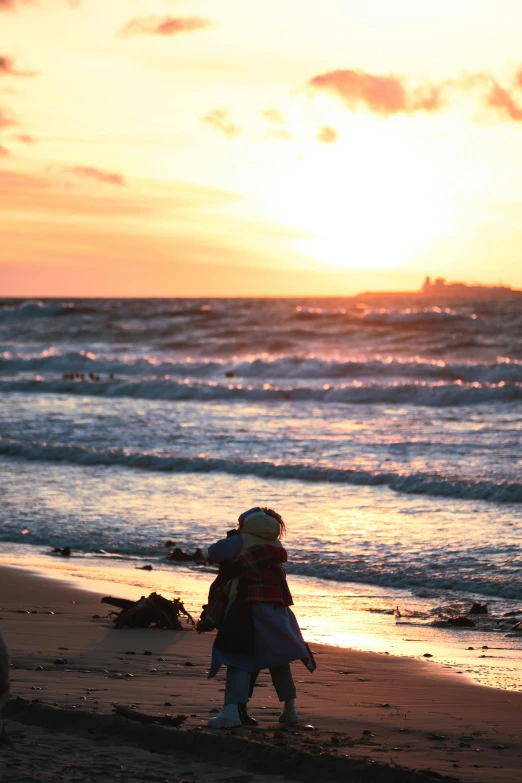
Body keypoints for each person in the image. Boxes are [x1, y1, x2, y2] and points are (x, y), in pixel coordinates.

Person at [206, 506, 315, 729]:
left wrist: (235, 538)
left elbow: (213, 552)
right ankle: (290, 709)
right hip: (278, 610)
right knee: (279, 658)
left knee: (239, 657)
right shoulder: (276, 545)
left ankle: (230, 712)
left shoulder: (241, 540)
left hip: (247, 608)